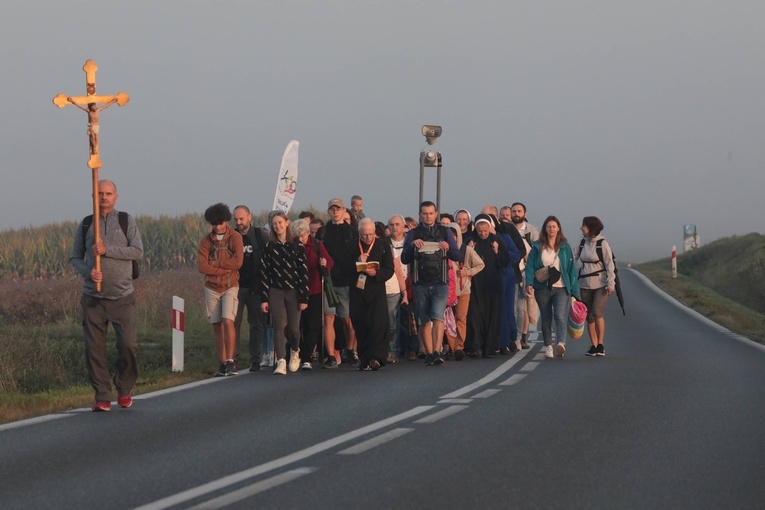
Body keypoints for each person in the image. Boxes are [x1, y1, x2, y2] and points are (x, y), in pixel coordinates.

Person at [71, 179, 143, 412]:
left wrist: (107, 250)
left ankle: (124, 387)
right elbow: (75, 258)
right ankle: (102, 395)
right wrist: (88, 273)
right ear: (94, 195)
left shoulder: (126, 220)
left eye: (108, 193)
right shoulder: (86, 224)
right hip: (93, 297)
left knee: (128, 345)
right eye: (100, 193)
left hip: (123, 296)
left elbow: (137, 251)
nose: (104, 197)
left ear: (116, 197)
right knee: (94, 348)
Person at [401, 201, 461, 365]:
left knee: (438, 317)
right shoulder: (413, 233)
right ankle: (428, 353)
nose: (428, 216)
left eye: (430, 213)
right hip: (420, 283)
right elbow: (404, 258)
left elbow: (457, 256)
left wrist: (448, 247)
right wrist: (412, 245)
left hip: (441, 282)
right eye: (424, 213)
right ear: (420, 215)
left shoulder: (445, 231)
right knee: (424, 319)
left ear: (436, 214)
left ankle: (437, 351)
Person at [198, 203, 244, 377]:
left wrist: (216, 264)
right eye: (214, 224)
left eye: (220, 223)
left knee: (228, 320)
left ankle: (231, 360)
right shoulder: (206, 241)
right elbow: (202, 266)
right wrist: (224, 268)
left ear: (226, 221)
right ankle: (222, 362)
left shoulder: (235, 238)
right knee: (216, 324)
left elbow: (238, 262)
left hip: (230, 285)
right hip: (212, 287)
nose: (217, 227)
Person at [260, 212, 309, 375]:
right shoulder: (269, 246)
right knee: (278, 326)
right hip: (276, 290)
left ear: (287, 223)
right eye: (275, 224)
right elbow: (265, 272)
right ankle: (281, 360)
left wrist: (304, 297)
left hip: (294, 291)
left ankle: (295, 351)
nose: (278, 226)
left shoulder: (297, 244)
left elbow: (303, 271)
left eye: (280, 222)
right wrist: (264, 298)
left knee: (294, 329)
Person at [525, 216, 580, 359]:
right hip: (542, 287)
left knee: (560, 316)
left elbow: (570, 269)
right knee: (546, 317)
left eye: (554, 226)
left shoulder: (565, 247)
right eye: (549, 226)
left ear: (558, 228)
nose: (551, 229)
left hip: (561, 287)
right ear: (545, 228)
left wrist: (574, 291)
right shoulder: (537, 246)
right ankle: (548, 345)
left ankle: (561, 343)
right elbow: (530, 266)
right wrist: (529, 283)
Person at [316, 198, 359, 368]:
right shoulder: (323, 232)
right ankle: (330, 354)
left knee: (347, 320)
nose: (335, 212)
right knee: (328, 319)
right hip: (327, 281)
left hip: (347, 281)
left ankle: (350, 349)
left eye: (338, 209)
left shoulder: (352, 231)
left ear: (343, 210)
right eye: (332, 209)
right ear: (328, 211)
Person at [349, 218, 395, 370]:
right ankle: (364, 358)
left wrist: (376, 273)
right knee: (361, 324)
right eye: (363, 235)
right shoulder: (352, 245)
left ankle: (377, 357)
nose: (367, 238)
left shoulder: (382, 245)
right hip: (358, 291)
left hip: (376, 291)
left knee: (378, 324)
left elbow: (389, 269)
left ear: (375, 233)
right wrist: (357, 261)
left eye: (370, 234)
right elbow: (342, 268)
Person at [293, 219, 334, 370]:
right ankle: (295, 353)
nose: (301, 239)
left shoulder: (316, 244)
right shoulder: (293, 246)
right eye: (297, 236)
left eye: (303, 236)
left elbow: (329, 261)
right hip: (297, 291)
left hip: (315, 288)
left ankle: (307, 356)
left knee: (313, 324)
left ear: (308, 233)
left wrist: (324, 264)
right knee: (297, 325)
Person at [232, 205, 269, 372]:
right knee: (233, 323)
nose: (239, 222)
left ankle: (255, 358)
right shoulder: (231, 237)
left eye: (241, 218)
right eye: (236, 219)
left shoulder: (260, 236)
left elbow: (267, 260)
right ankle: (232, 358)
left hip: (256, 287)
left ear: (249, 217)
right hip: (236, 287)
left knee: (256, 324)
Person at [468, 215, 511, 358]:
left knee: (493, 316)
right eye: (480, 231)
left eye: (485, 230)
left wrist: (497, 251)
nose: (483, 234)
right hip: (476, 285)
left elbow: (505, 262)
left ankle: (490, 348)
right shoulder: (471, 240)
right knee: (475, 316)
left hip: (493, 285)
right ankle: (476, 347)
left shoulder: (497, 240)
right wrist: (469, 250)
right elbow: (465, 262)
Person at [575, 216, 616, 357]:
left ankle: (601, 344)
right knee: (588, 316)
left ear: (591, 228)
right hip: (584, 284)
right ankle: (593, 345)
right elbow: (572, 258)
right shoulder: (582, 243)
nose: (581, 228)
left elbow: (610, 265)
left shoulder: (602, 244)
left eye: (584, 226)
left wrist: (611, 284)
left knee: (597, 313)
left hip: (601, 284)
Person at [444, 222, 484, 360]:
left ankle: (459, 346)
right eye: (450, 235)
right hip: (447, 291)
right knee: (448, 319)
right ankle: (451, 346)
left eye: (454, 235)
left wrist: (467, 272)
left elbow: (480, 264)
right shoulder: (443, 249)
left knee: (461, 318)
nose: (452, 238)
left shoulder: (466, 250)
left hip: (463, 289)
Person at [510, 202, 540, 349]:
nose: (516, 214)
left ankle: (522, 337)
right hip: (512, 270)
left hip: (526, 272)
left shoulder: (532, 231)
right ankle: (515, 336)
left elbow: (537, 251)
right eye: (514, 211)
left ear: (525, 214)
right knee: (516, 307)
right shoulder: (508, 229)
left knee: (524, 306)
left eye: (519, 211)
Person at [384, 215, 410, 363]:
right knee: (391, 320)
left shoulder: (410, 241)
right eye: (392, 225)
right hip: (392, 285)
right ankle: (392, 350)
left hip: (411, 281)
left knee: (411, 319)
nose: (395, 227)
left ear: (404, 226)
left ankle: (412, 349)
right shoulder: (384, 243)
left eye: (398, 224)